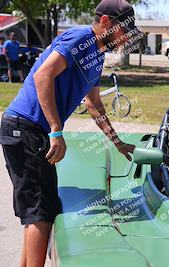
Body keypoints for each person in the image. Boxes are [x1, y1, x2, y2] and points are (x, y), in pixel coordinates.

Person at [0, 0, 142, 266]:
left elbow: (94, 104)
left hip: (30, 130)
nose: (126, 37)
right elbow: (43, 76)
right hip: (25, 127)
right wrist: (56, 129)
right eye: (124, 30)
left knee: (39, 213)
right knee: (41, 213)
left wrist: (118, 142)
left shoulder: (96, 54)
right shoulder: (81, 38)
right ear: (105, 23)